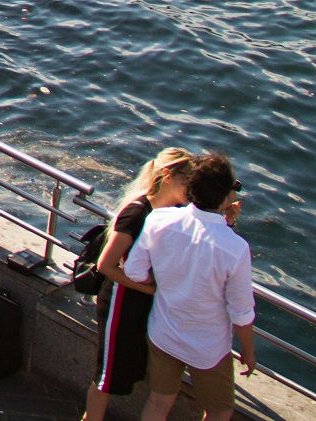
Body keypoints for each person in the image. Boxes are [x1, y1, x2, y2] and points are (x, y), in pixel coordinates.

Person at [126, 152, 257, 421]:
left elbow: (134, 270)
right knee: (219, 411)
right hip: (207, 347)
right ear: (224, 197)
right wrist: (248, 351)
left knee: (158, 402)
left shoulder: (159, 220)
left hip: (163, 332)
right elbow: (241, 311)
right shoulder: (235, 248)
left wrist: (166, 284)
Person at [85, 148, 195, 421]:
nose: (191, 189)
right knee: (107, 375)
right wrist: (149, 289)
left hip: (146, 303)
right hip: (121, 303)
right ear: (168, 175)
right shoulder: (136, 213)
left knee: (129, 369)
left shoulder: (176, 212)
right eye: (187, 181)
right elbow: (106, 266)